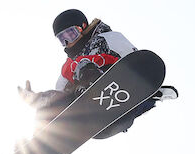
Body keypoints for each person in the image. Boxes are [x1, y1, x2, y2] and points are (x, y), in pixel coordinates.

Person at [18, 9, 178, 139]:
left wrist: (150, 90)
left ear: (83, 26)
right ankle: (37, 146)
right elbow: (58, 96)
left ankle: (92, 89)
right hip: (96, 125)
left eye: (70, 34)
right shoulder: (67, 67)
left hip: (117, 103)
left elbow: (133, 61)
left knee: (84, 65)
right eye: (62, 39)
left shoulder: (107, 38)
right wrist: (41, 100)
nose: (68, 42)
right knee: (47, 107)